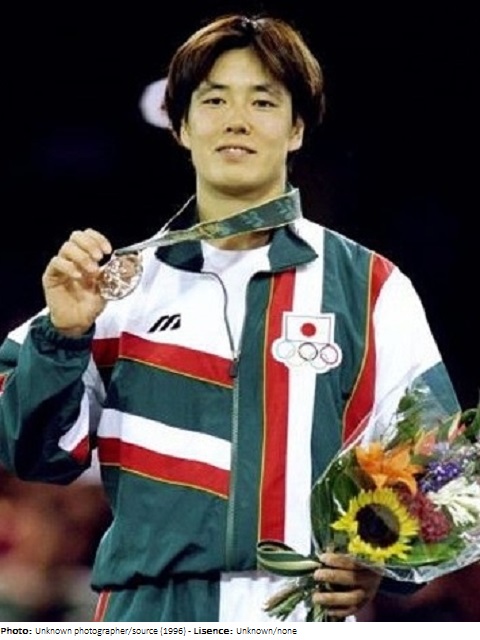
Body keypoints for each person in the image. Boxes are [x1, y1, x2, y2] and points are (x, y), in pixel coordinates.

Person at [0, 13, 459, 622]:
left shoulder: (369, 288)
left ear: (296, 129)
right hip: (148, 612)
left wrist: (383, 563)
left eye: (263, 101)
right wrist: (63, 335)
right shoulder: (113, 288)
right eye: (214, 99)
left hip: (302, 611)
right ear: (182, 126)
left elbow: (441, 468)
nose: (236, 119)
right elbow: (31, 453)